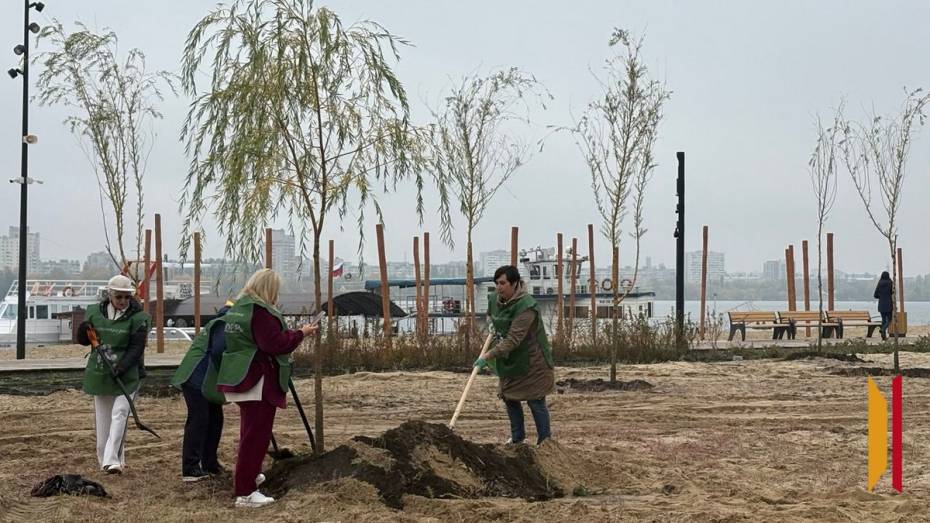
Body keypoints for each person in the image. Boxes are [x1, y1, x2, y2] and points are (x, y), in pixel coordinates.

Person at [216, 269, 318, 508]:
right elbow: (274, 343)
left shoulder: (239, 309)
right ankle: (246, 492)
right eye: (276, 290)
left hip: (241, 377)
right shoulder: (261, 313)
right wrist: (300, 333)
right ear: (269, 289)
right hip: (259, 381)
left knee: (248, 434)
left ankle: (249, 476)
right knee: (255, 438)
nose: (277, 295)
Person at [77, 274, 151, 475]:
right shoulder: (95, 313)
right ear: (110, 295)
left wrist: (122, 367)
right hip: (101, 373)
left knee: (119, 414)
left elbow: (136, 348)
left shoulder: (139, 318)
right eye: (119, 297)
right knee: (103, 421)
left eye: (127, 298)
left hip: (127, 376)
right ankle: (105, 460)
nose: (123, 301)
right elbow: (85, 341)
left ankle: (112, 461)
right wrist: (82, 332)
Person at [474, 265, 555, 446]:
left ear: (515, 283)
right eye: (496, 283)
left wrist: (487, 356)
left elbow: (513, 340)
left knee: (535, 400)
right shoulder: (495, 299)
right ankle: (517, 438)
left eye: (503, 283)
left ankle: (545, 442)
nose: (499, 287)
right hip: (510, 360)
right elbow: (491, 314)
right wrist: (491, 323)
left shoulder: (527, 306)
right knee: (509, 396)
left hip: (532, 360)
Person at [170, 301, 233, 482]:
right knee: (199, 419)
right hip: (196, 377)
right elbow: (219, 351)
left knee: (215, 419)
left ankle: (209, 464)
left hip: (206, 379)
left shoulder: (222, 321)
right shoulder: (224, 323)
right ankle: (190, 468)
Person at [874, 271, 894, 340]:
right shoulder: (890, 283)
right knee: (890, 319)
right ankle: (883, 329)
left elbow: (875, 295)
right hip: (888, 304)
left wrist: (881, 296)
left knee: (883, 320)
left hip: (881, 305)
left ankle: (883, 337)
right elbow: (892, 292)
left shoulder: (879, 283)